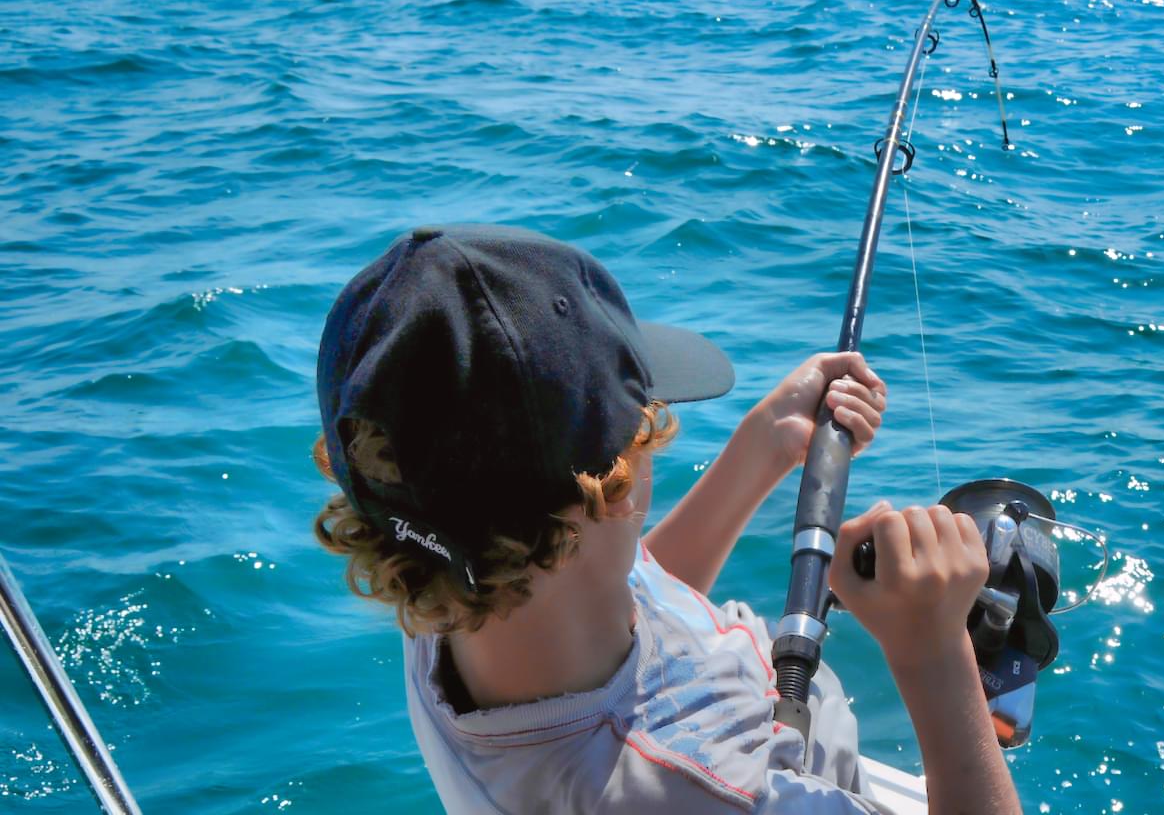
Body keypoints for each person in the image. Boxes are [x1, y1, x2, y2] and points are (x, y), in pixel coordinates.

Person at [310, 224, 1021, 814]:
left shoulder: (445, 580)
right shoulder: (708, 794)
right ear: (615, 487)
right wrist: (933, 656)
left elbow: (618, 584)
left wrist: (764, 444)